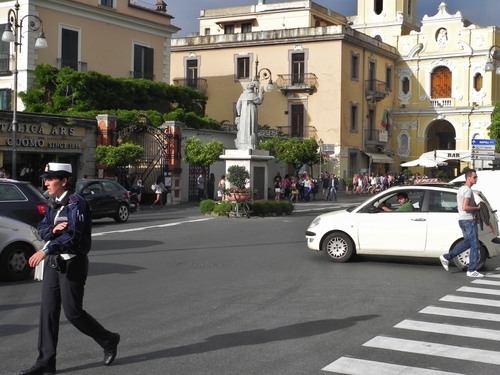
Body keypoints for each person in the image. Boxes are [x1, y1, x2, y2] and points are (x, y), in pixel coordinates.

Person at [20, 163, 120, 375]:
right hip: (54, 262)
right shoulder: (52, 203)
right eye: (45, 178)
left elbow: (73, 236)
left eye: (50, 178)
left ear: (64, 181)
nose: (45, 182)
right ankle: (46, 362)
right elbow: (42, 227)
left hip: (72, 263)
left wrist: (45, 251)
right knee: (47, 312)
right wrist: (52, 231)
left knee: (73, 313)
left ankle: (108, 339)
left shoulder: (77, 204)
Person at [439, 169, 484, 278]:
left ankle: (446, 257)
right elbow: (465, 207)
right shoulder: (467, 190)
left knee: (468, 243)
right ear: (468, 178)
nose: (476, 178)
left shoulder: (461, 189)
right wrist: (477, 208)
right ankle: (471, 270)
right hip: (468, 220)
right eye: (474, 177)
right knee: (475, 245)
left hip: (462, 220)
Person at [235, 80, 265, 150]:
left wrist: (239, 114)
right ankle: (251, 143)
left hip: (243, 115)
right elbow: (259, 101)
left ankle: (242, 143)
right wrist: (261, 92)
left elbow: (238, 105)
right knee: (251, 127)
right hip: (251, 112)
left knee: (243, 128)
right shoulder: (252, 95)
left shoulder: (242, 95)